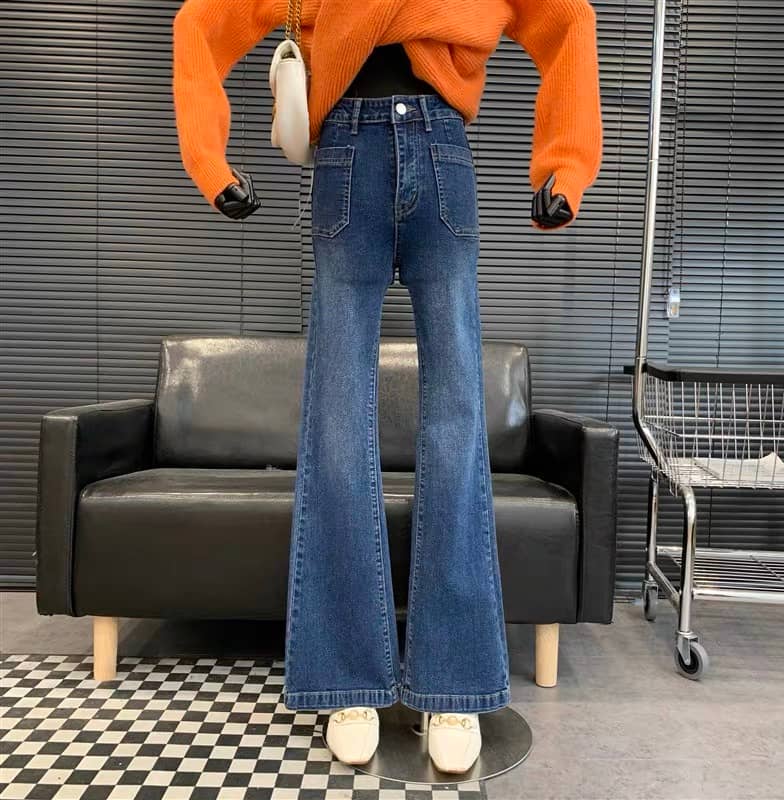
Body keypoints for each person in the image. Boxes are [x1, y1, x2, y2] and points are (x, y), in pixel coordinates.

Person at [172, 0, 602, 774]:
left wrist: (566, 165)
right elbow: (200, 22)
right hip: (345, 155)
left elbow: (568, 18)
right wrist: (209, 159)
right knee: (337, 424)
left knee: (458, 427)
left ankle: (455, 683)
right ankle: (347, 680)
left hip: (443, 150)